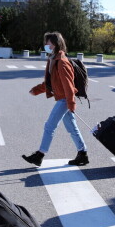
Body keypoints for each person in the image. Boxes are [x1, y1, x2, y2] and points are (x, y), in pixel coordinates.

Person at [22, 31, 88, 167]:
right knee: (72, 128)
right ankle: (83, 154)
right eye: (46, 43)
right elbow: (51, 82)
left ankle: (39, 155)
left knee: (49, 126)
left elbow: (69, 85)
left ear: (56, 44)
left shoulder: (62, 62)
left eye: (49, 43)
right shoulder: (53, 59)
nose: (46, 45)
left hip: (65, 99)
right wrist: (36, 90)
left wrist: (71, 103)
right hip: (63, 98)